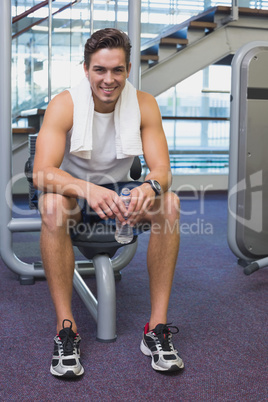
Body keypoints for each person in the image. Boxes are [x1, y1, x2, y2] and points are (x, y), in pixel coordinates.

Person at [33, 28, 184, 377]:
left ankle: (156, 328)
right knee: (52, 207)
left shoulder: (145, 104)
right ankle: (65, 329)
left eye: (117, 70)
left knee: (171, 204)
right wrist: (87, 189)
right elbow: (41, 173)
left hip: (120, 190)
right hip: (72, 190)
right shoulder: (65, 104)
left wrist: (150, 187)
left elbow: (162, 170)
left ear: (128, 69)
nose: (108, 79)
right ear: (85, 69)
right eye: (100, 70)